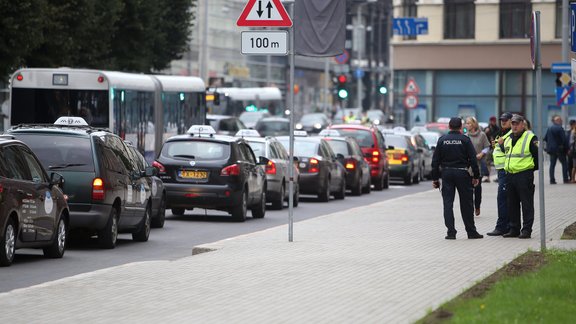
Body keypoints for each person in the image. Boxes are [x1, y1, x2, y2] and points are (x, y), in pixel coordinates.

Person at [431, 117, 482, 240]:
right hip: (462, 174)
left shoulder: (442, 140)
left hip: (447, 174)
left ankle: (451, 232)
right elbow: (473, 159)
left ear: (449, 126)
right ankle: (471, 232)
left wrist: (435, 179)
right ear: (461, 127)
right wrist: (476, 176)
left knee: (448, 204)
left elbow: (435, 161)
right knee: (466, 204)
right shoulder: (465, 140)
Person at [503, 114, 538, 239]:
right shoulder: (508, 138)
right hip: (510, 175)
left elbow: (538, 157)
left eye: (517, 123)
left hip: (524, 175)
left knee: (526, 203)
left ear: (523, 124)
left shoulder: (530, 137)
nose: (515, 126)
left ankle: (526, 230)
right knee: (512, 204)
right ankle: (514, 229)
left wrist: (529, 170)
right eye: (513, 123)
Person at [486, 112, 513, 236]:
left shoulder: (511, 134)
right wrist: (495, 146)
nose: (503, 122)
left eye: (505, 120)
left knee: (502, 198)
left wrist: (501, 145)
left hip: (507, 170)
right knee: (504, 198)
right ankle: (506, 225)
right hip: (501, 170)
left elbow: (509, 151)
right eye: (502, 120)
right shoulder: (501, 133)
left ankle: (502, 226)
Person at [465, 117, 490, 216]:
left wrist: (482, 153)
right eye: (466, 123)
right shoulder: (466, 136)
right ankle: (469, 208)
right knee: (468, 189)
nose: (467, 125)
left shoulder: (482, 135)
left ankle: (477, 206)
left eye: (469, 123)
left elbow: (487, 147)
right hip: (468, 166)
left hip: (478, 165)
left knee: (477, 188)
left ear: (474, 124)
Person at [543, 115, 569, 184]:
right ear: (557, 121)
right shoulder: (560, 128)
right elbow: (564, 139)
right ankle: (565, 179)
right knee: (564, 164)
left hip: (551, 150)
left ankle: (552, 180)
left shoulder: (549, 128)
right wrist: (566, 148)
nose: (561, 121)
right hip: (559, 149)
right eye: (560, 120)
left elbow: (545, 138)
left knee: (552, 165)